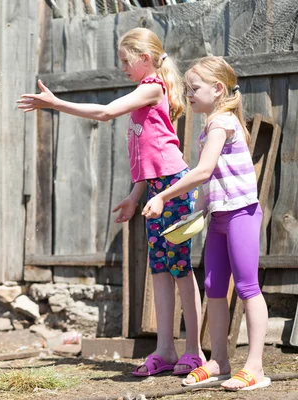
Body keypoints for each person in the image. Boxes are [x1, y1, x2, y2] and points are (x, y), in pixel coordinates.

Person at [17, 27, 205, 376]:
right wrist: (136, 196)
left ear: (144, 58)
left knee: (180, 269)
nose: (121, 66)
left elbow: (105, 113)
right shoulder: (145, 89)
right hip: (156, 189)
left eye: (125, 60)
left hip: (174, 189)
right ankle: (165, 350)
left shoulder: (151, 88)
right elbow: (149, 155)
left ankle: (194, 351)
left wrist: (56, 103)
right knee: (161, 270)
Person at [142, 56, 271, 391]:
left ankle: (254, 367)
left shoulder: (222, 122)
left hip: (241, 214)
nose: (188, 94)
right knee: (213, 287)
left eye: (194, 88)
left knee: (247, 287)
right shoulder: (210, 125)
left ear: (217, 89)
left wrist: (163, 197)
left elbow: (201, 171)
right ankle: (220, 362)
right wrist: (195, 213)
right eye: (186, 88)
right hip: (218, 218)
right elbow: (211, 181)